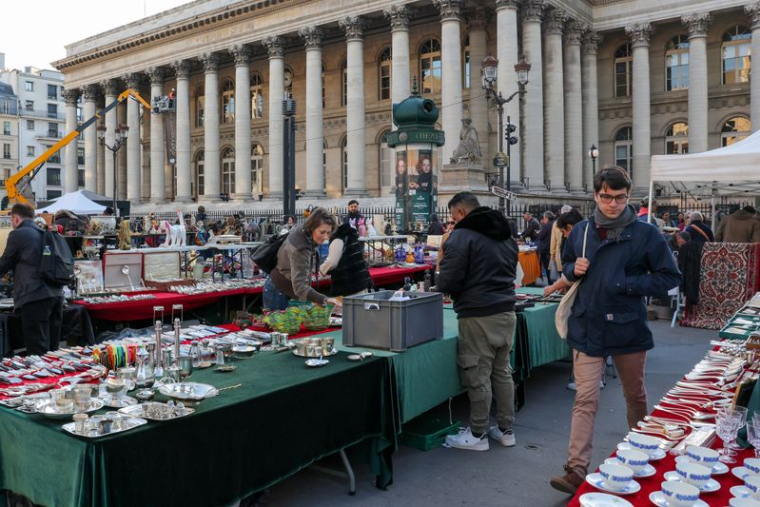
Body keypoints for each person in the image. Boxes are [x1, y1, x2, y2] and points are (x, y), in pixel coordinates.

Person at [549, 167, 681, 494]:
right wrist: (571, 268)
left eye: (619, 197)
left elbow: (670, 277)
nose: (612, 204)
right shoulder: (579, 232)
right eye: (606, 197)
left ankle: (640, 453)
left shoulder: (645, 233)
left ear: (628, 196)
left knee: (634, 395)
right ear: (596, 195)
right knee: (585, 398)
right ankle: (575, 469)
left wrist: (627, 284)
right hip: (588, 324)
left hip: (627, 327)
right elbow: (567, 266)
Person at [437, 192, 519, 451]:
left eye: (452, 217)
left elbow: (447, 282)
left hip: (478, 313)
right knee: (502, 372)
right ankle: (506, 430)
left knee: (478, 375)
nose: (451, 222)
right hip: (506, 310)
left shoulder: (461, 237)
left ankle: (478, 434)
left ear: (461, 212)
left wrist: (442, 255)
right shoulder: (506, 235)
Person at [0, 204, 67, 354]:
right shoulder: (43, 232)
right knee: (52, 352)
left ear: (16, 218)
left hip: (35, 297)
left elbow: (4, 264)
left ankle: (43, 378)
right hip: (55, 295)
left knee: (38, 352)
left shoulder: (18, 234)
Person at [265, 207, 342, 311]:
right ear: (312, 228)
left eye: (328, 233)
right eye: (322, 232)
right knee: (280, 325)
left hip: (281, 285)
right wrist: (324, 299)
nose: (326, 237)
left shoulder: (303, 231)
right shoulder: (301, 248)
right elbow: (300, 287)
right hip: (279, 290)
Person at [319, 221, 372, 297]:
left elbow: (331, 262)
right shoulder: (349, 235)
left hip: (350, 286)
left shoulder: (338, 239)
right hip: (360, 282)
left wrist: (321, 271)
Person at [543, 209, 585, 297]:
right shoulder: (582, 238)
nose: (565, 236)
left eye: (563, 232)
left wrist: (553, 287)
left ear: (570, 227)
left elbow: (575, 273)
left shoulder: (582, 244)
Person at [550, 205, 573, 283]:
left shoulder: (556, 223)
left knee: (561, 276)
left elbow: (553, 240)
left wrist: (552, 254)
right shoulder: (573, 223)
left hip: (559, 253)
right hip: (571, 255)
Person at [536, 211, 556, 283]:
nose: (543, 220)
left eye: (544, 218)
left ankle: (551, 284)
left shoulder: (547, 225)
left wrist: (538, 233)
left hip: (546, 249)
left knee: (548, 269)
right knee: (551, 269)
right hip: (550, 249)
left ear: (546, 218)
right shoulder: (554, 224)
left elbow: (540, 236)